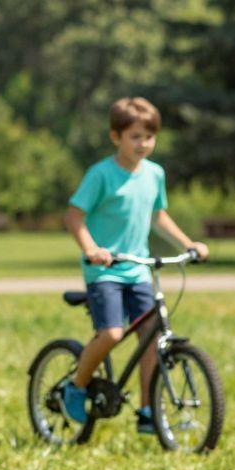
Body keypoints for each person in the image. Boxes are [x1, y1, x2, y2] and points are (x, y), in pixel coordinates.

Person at [59, 97, 208, 436]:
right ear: (116, 137)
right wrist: (92, 249)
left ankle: (147, 411)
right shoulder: (101, 174)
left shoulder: (155, 174)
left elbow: (158, 216)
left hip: (138, 269)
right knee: (112, 333)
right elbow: (73, 216)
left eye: (149, 136)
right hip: (105, 270)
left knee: (152, 337)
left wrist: (188, 244)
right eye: (135, 136)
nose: (143, 143)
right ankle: (76, 385)